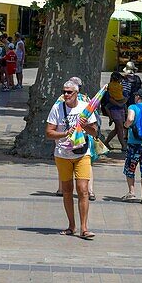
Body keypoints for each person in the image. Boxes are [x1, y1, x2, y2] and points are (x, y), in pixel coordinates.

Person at [46, 79, 99, 239]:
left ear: (77, 93)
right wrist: (64, 133)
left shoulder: (85, 108)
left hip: (82, 153)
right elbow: (49, 133)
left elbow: (95, 132)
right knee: (67, 190)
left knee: (82, 190)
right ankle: (71, 226)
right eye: (64, 91)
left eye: (69, 92)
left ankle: (84, 228)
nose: (66, 94)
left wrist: (84, 126)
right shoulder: (57, 108)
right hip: (62, 154)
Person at [103, 71, 128, 149]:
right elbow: (111, 99)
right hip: (115, 110)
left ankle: (105, 143)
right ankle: (123, 145)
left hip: (119, 110)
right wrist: (121, 104)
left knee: (117, 129)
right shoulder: (118, 87)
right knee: (120, 128)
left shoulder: (110, 87)